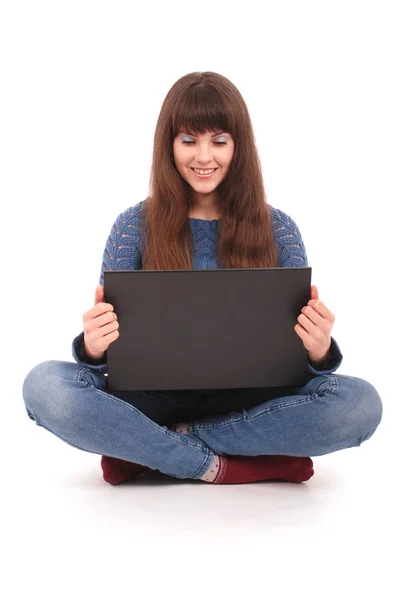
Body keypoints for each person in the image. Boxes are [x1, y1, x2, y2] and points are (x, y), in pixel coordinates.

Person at [22, 72, 383, 486]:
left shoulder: (277, 228)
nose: (203, 156)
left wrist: (318, 350)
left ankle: (165, 448)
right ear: (169, 145)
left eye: (219, 140)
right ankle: (215, 464)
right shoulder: (133, 226)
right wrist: (92, 345)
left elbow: (300, 369)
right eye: (189, 140)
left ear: (238, 146)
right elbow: (110, 359)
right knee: (44, 386)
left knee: (360, 405)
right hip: (152, 400)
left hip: (255, 400)